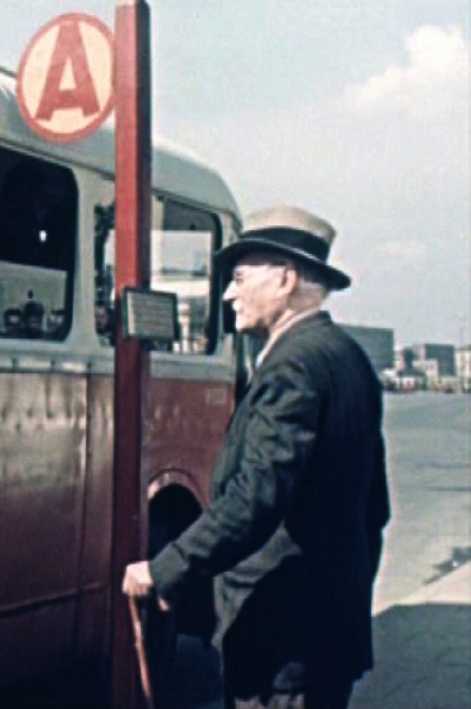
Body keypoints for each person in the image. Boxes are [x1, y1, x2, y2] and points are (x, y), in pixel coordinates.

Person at [122, 205, 390, 709]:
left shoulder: (293, 366)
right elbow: (374, 509)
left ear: (286, 280)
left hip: (281, 639)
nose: (228, 294)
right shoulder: (348, 357)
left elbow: (255, 500)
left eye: (240, 278)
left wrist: (167, 567)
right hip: (326, 633)